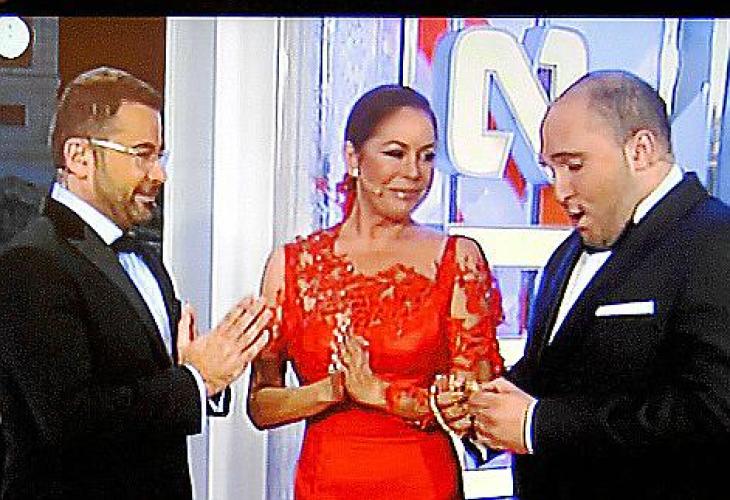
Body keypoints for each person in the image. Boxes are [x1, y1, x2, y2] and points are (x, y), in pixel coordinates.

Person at [0, 67, 271, 499]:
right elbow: (71, 422)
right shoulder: (31, 263)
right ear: (79, 157)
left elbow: (156, 393)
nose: (159, 174)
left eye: (160, 156)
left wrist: (202, 374)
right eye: (142, 154)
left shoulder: (145, 259)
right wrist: (196, 380)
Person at [463, 70, 730, 499]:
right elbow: (554, 371)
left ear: (640, 150)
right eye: (551, 169)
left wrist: (537, 425)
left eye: (574, 166)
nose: (560, 190)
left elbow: (712, 416)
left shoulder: (716, 241)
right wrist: (484, 410)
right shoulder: (567, 253)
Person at [247, 84, 505, 499]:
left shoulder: (457, 259)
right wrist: (330, 390)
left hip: (421, 482)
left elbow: (479, 409)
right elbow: (261, 406)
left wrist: (381, 393)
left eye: (427, 156)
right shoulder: (292, 264)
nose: (414, 172)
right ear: (353, 158)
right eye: (396, 153)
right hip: (324, 484)